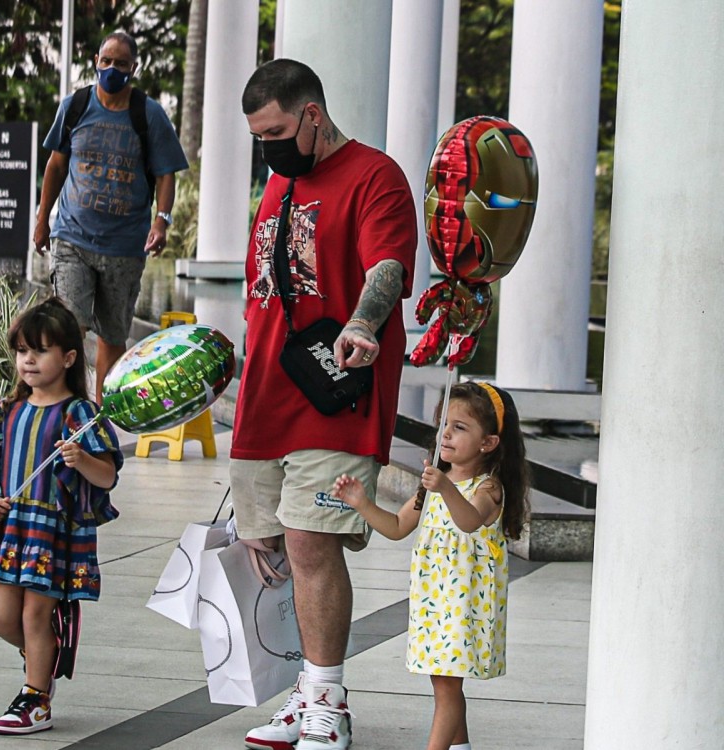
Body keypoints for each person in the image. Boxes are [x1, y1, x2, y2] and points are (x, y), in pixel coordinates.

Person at [231, 59, 417, 750]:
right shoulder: (281, 180)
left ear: (312, 114)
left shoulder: (376, 176)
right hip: (264, 400)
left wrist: (364, 323)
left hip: (336, 395)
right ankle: (303, 694)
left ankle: (328, 705)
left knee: (312, 542)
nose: (269, 148)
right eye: (257, 137)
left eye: (277, 131)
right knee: (272, 549)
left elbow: (388, 267)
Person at [331, 382, 530, 750]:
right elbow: (396, 527)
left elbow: (469, 521)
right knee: (443, 681)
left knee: (446, 683)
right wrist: (361, 502)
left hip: (466, 603)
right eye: (443, 425)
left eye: (459, 427)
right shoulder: (433, 484)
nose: (446, 435)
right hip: (435, 599)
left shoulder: (488, 489)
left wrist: (445, 488)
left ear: (488, 443)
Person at [0, 297, 124, 735]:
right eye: (21, 351)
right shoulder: (7, 410)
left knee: (35, 615)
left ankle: (35, 698)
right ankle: (45, 655)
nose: (28, 360)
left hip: (52, 531)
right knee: (1, 616)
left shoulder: (80, 416)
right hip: (11, 526)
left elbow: (108, 476)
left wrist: (80, 460)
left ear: (69, 357)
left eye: (40, 351)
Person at [33, 30, 189, 402]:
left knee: (112, 337)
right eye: (107, 61)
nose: (112, 69)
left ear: (133, 68)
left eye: (121, 63)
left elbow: (167, 173)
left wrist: (161, 221)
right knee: (69, 330)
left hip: (124, 246)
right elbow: (56, 165)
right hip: (73, 237)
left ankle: (99, 419)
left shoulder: (148, 114)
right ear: (95, 62)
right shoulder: (75, 107)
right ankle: (68, 410)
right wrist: (42, 220)